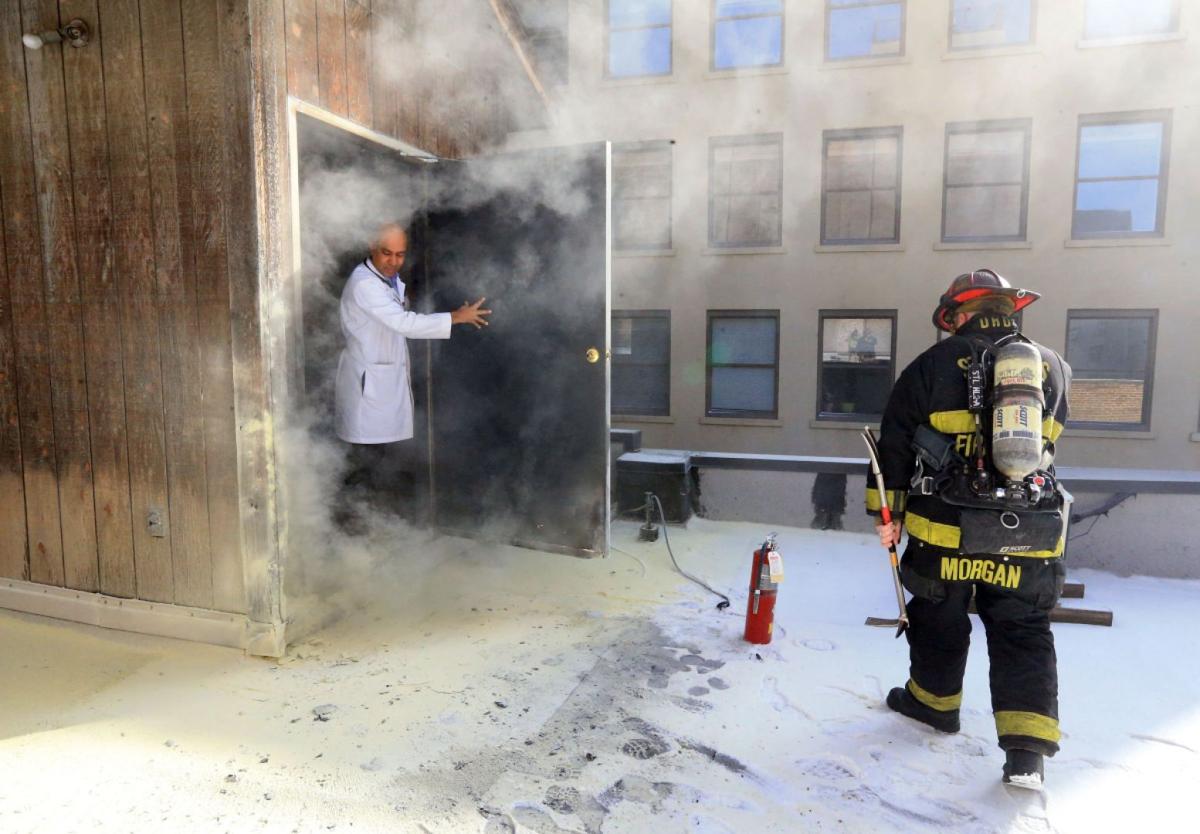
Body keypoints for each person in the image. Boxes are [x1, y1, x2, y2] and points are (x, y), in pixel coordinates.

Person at [867, 269, 1071, 790]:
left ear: (960, 313)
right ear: (1009, 308)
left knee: (938, 616)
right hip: (1027, 532)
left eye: (950, 317)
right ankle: (1027, 753)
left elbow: (891, 450)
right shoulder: (1051, 367)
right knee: (1023, 631)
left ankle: (934, 705)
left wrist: (884, 517)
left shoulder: (930, 366)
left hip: (945, 529)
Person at [334, 222, 491, 527]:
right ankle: (357, 533)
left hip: (380, 381)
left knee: (378, 462)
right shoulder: (364, 284)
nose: (394, 261)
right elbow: (403, 324)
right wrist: (455, 318)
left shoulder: (384, 280)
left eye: (400, 255)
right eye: (387, 253)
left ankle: (374, 528)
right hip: (369, 388)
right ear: (371, 246)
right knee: (366, 465)